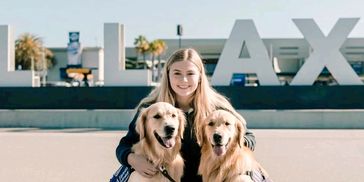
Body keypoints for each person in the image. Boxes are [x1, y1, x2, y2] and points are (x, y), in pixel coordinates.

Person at [114, 48, 256, 181]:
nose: (184, 80)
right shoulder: (151, 108)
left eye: (190, 73)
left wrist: (226, 141)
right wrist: (132, 159)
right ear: (167, 75)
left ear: (200, 76)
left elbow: (248, 137)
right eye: (177, 73)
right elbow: (124, 145)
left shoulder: (217, 107)